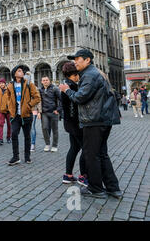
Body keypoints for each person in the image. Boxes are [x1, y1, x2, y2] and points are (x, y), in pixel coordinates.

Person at [60, 49, 122, 199]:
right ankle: (113, 188)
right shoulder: (95, 73)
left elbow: (80, 97)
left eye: (78, 59)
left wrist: (67, 90)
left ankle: (96, 189)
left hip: (94, 120)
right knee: (101, 154)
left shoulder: (89, 75)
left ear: (87, 60)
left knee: (91, 155)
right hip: (101, 119)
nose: (75, 62)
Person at [2, 65, 41, 166]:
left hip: (27, 115)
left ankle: (27, 157)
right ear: (14, 73)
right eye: (19, 70)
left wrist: (28, 105)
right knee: (14, 134)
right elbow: (8, 98)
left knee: (27, 136)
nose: (21, 72)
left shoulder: (28, 84)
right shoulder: (10, 85)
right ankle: (16, 157)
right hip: (15, 116)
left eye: (22, 71)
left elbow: (37, 97)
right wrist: (10, 108)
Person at [60, 62, 88, 187]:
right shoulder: (71, 86)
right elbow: (75, 104)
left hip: (69, 123)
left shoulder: (66, 84)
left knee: (74, 148)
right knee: (85, 148)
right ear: (74, 74)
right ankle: (83, 176)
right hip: (75, 123)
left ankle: (68, 175)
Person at [38, 76, 62, 152]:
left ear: (49, 81)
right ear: (41, 82)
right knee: (44, 128)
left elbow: (61, 100)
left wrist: (58, 109)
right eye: (43, 80)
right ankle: (47, 144)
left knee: (55, 129)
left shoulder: (55, 88)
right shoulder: (40, 90)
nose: (45, 81)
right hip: (44, 112)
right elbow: (38, 101)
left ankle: (54, 145)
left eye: (46, 80)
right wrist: (39, 111)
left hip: (53, 112)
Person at [0, 79, 11, 145]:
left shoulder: (9, 90)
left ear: (5, 83)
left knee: (9, 125)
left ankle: (8, 137)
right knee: (0, 124)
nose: (1, 84)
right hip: (1, 110)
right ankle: (0, 139)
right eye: (0, 83)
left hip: (8, 111)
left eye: (2, 83)